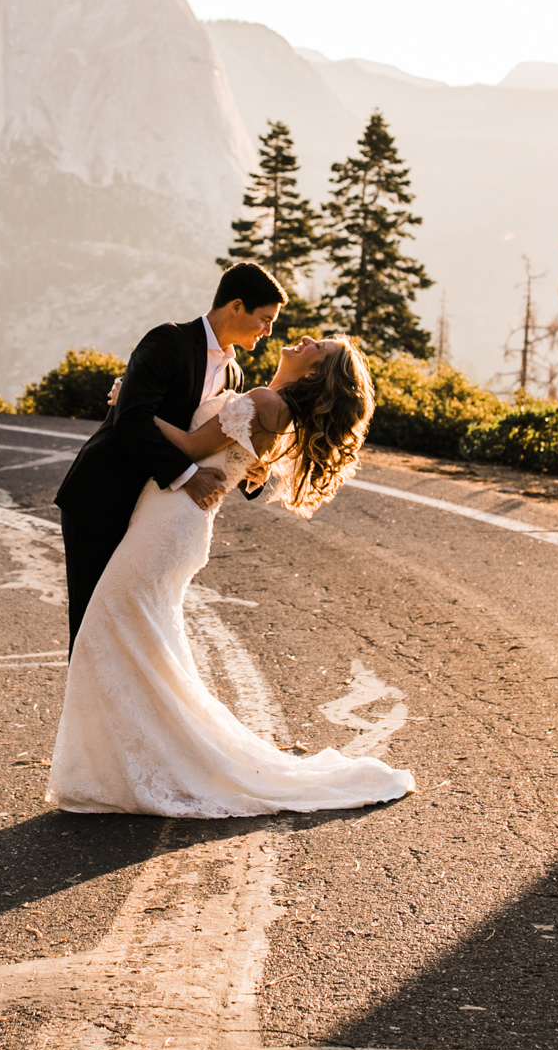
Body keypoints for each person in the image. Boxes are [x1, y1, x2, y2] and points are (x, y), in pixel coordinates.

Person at [46, 332, 416, 817]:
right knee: (137, 637)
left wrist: (127, 403)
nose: (307, 339)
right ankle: (139, 758)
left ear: (314, 373)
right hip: (173, 520)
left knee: (108, 625)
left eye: (318, 347)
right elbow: (235, 460)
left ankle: (135, 763)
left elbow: (188, 445)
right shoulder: (270, 403)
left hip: (169, 521)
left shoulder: (265, 401)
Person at [52, 263, 286, 649]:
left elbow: (216, 441)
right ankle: (86, 709)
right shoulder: (168, 341)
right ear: (237, 306)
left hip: (153, 516)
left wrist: (248, 474)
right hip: (103, 496)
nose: (269, 331)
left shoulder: (235, 377)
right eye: (265, 320)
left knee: (131, 621)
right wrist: (188, 475)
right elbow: (130, 420)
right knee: (93, 619)